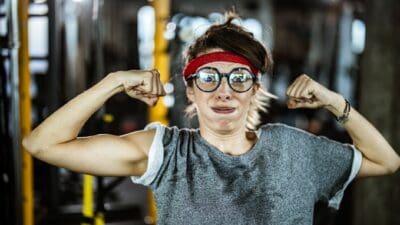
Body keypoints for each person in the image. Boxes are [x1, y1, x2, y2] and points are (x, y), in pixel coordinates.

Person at [23, 14, 399, 225]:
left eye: (238, 79)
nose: (224, 91)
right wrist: (112, 82)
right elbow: (41, 144)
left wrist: (336, 104)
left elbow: (387, 161)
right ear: (190, 90)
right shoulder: (165, 153)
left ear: (254, 89)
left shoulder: (294, 148)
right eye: (208, 78)